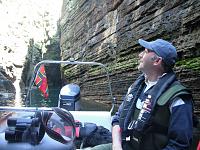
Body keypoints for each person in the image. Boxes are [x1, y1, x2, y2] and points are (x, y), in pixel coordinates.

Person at [91, 39, 193, 150]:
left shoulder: (178, 99)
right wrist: (116, 145)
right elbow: (117, 119)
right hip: (125, 146)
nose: (140, 55)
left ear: (157, 61)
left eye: (145, 51)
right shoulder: (136, 88)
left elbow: (180, 145)